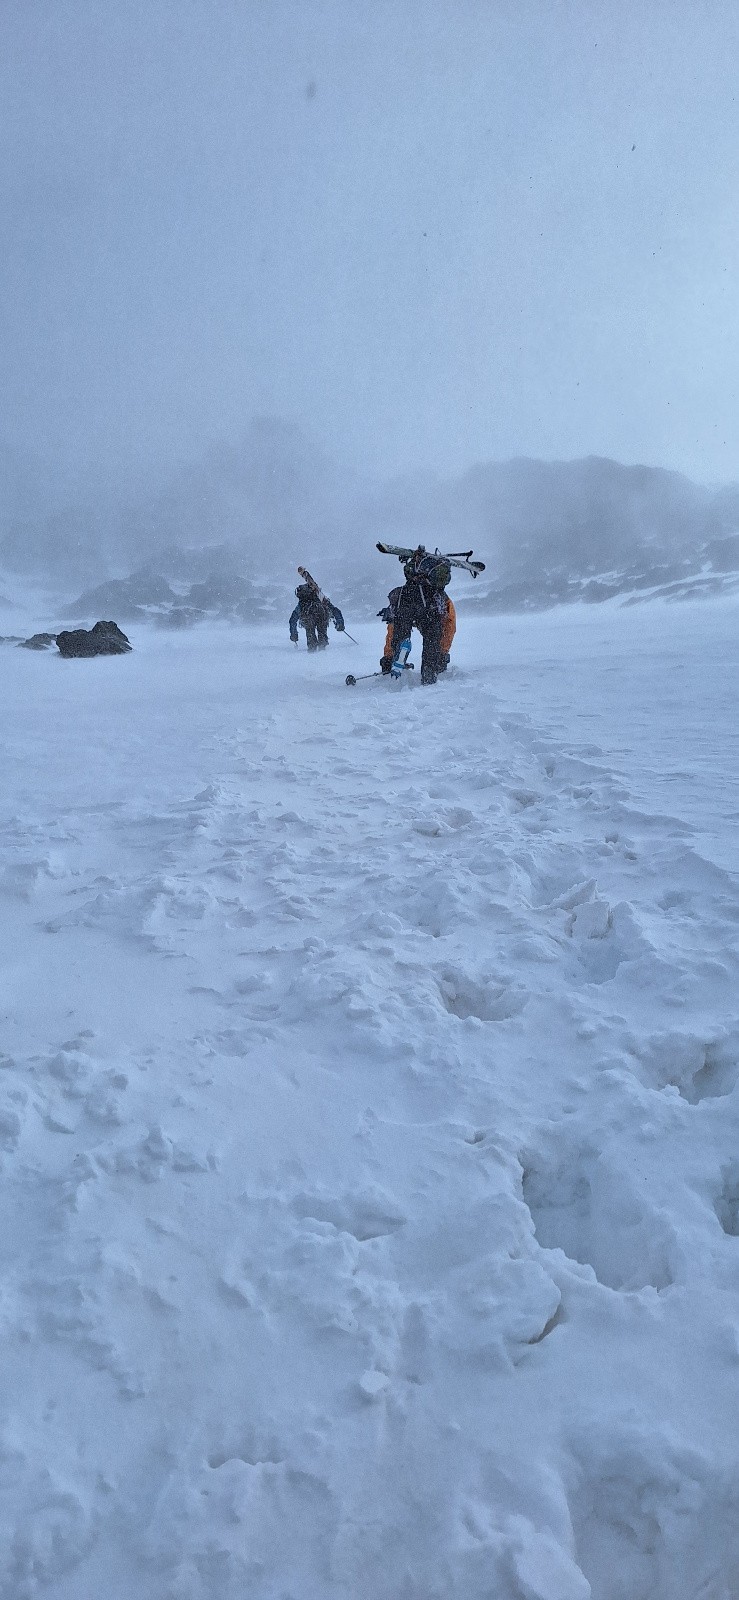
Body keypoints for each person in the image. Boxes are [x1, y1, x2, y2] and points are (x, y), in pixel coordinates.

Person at [378, 551, 455, 684]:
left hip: (406, 599)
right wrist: (442, 655)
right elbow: (450, 626)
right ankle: (429, 672)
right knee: (432, 638)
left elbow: (392, 626)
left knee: (400, 628)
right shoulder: (442, 597)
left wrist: (387, 659)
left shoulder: (410, 575)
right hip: (430, 607)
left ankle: (398, 652)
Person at [289, 583, 345, 650]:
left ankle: (312, 653)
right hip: (322, 618)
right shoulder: (321, 598)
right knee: (322, 634)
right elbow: (334, 610)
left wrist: (294, 634)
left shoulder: (302, 603)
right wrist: (340, 623)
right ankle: (323, 651)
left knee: (310, 635)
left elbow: (293, 620)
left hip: (308, 620)